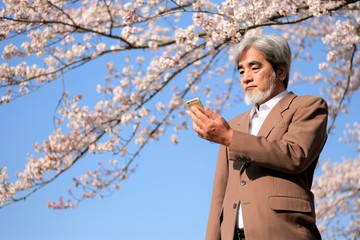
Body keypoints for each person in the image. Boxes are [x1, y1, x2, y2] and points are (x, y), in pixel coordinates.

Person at [186, 34, 328, 240]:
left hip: (283, 232)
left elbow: (295, 155)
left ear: (280, 71)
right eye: (241, 71)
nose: (246, 77)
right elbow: (220, 193)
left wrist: (230, 138)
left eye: (255, 68)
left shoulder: (308, 106)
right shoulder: (235, 124)